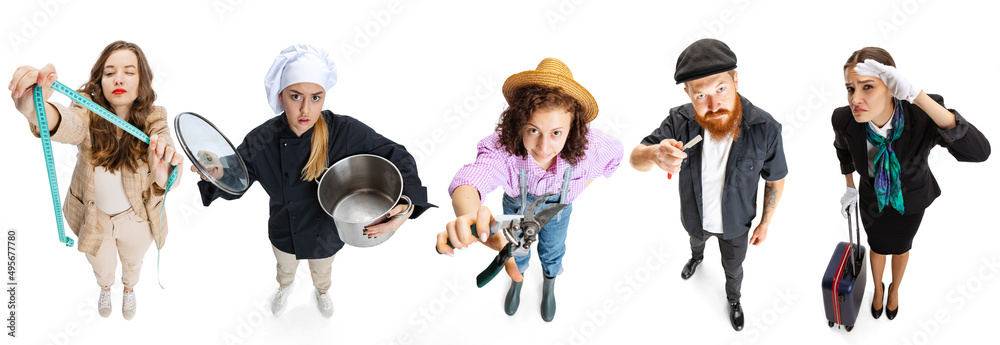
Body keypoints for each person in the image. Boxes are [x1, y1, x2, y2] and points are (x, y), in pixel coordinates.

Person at [194, 44, 434, 318]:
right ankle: (285, 287)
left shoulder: (343, 131)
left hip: (327, 233)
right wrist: (218, 172)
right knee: (285, 269)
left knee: (323, 271)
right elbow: (236, 178)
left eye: (316, 97)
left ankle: (322, 291)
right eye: (296, 96)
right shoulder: (261, 140)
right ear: (281, 95)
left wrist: (408, 206)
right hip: (285, 230)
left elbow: (397, 156)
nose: (306, 109)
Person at [435, 58, 623, 322]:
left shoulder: (591, 145)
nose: (544, 146)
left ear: (572, 129)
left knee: (553, 251)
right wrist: (469, 213)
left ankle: (549, 284)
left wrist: (578, 187)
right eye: (533, 130)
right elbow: (474, 176)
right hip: (515, 210)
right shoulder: (503, 147)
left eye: (557, 133)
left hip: (558, 213)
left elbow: (615, 155)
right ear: (520, 122)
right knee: (516, 252)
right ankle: (518, 281)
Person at [9, 40, 185, 320]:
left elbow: (165, 145)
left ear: (142, 82)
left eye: (129, 71)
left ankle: (129, 289)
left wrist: (167, 176)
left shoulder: (155, 117)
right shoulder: (86, 108)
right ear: (99, 80)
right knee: (102, 266)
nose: (118, 78)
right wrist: (37, 111)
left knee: (133, 263)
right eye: (109, 72)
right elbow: (69, 123)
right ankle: (106, 287)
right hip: (94, 218)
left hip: (138, 218)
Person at [629, 39, 787, 331]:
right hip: (695, 219)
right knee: (695, 243)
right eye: (701, 95)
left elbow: (775, 178)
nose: (714, 106)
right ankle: (696, 258)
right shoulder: (679, 120)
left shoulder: (765, 129)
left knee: (734, 269)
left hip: (737, 227)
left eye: (721, 89)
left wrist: (765, 222)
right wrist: (654, 153)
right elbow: (635, 157)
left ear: (735, 79)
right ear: (687, 92)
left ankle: (734, 299)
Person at [833, 47, 990, 321]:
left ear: (891, 87)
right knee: (877, 246)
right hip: (872, 202)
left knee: (903, 246)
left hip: (912, 199)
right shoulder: (844, 119)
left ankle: (895, 289)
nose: (855, 99)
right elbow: (843, 150)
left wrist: (918, 97)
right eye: (850, 88)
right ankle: (878, 291)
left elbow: (979, 152)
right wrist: (850, 186)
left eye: (867, 87)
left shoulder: (922, 114)